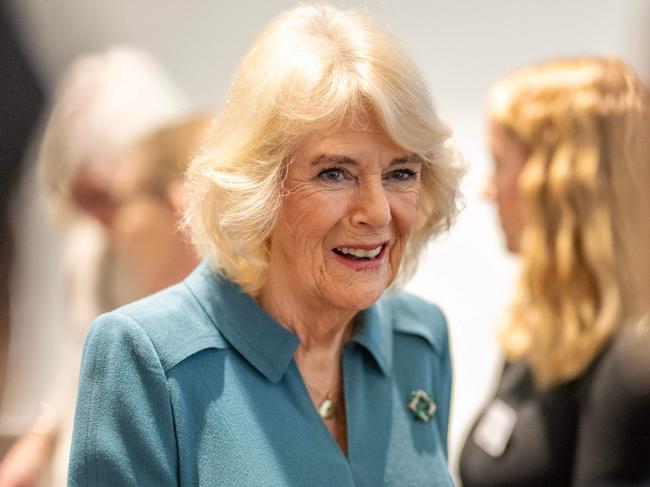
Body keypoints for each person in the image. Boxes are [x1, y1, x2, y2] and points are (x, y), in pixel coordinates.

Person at [68, 4, 465, 486]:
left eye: (400, 172)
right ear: (259, 188)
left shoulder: (419, 340)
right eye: (334, 173)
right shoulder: (147, 357)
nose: (377, 211)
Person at [0, 47, 187, 487]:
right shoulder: (91, 248)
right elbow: (80, 367)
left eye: (108, 200)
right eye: (84, 204)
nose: (105, 225)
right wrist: (40, 441)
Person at [459, 57, 650, 486]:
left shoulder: (636, 357)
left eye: (498, 162)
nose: (487, 191)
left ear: (557, 183)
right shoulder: (540, 327)